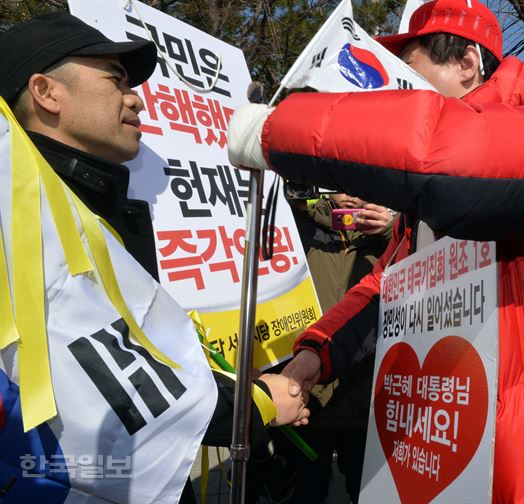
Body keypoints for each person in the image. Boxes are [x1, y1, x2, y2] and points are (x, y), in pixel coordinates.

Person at [227, 0, 524, 502]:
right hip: (442, 452)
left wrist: (274, 130)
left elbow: (447, 153)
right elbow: (386, 289)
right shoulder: (422, 212)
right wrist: (316, 354)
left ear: (467, 63)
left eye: (413, 77)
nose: (401, 94)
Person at [0, 12, 308, 503]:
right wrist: (257, 404)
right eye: (115, 79)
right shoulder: (21, 224)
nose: (136, 98)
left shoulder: (82, 202)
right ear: (46, 92)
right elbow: (105, 384)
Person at [280, 193, 394, 503]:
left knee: (367, 491)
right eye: (341, 183)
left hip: (364, 398)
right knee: (308, 489)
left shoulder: (391, 237)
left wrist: (390, 229)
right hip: (307, 395)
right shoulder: (300, 226)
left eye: (360, 184)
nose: (353, 194)